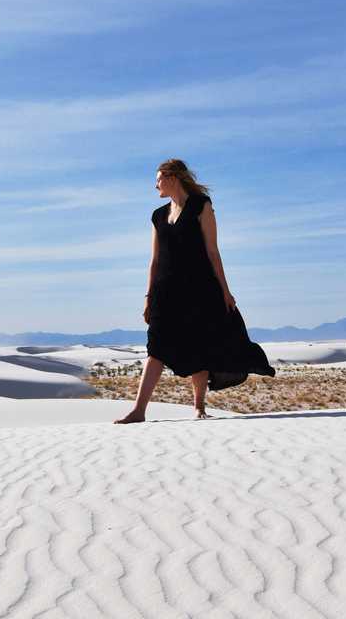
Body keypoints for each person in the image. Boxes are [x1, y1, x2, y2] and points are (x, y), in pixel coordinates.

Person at [114, 158, 276, 424]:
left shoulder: (202, 206)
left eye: (158, 179)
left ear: (172, 177)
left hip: (199, 288)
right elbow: (154, 260)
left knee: (198, 345)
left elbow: (213, 252)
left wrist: (225, 290)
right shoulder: (158, 215)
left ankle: (198, 407)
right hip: (165, 291)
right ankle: (139, 410)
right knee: (155, 347)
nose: (155, 186)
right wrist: (148, 296)